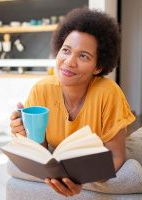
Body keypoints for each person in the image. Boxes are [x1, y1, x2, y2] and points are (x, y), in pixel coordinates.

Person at [10, 8, 135, 197]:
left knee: (131, 171)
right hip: (66, 158)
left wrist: (81, 179)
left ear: (98, 66)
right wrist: (24, 134)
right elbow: (42, 151)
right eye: (66, 51)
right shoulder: (41, 90)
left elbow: (116, 156)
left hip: (113, 152)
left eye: (83, 56)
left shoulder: (108, 93)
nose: (69, 62)